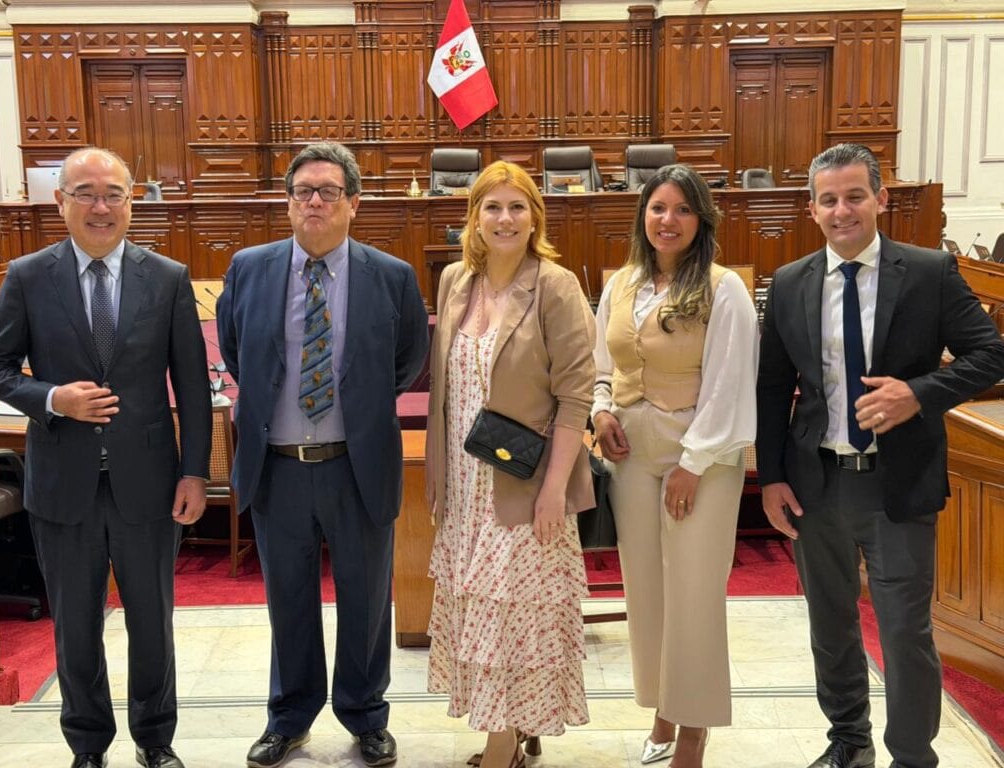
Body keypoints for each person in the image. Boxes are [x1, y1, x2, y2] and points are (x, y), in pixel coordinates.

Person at [756, 143, 1004, 768]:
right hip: (818, 487)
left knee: (903, 632)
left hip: (898, 486)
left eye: (855, 196)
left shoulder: (928, 271)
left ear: (881, 198)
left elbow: (992, 354)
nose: (843, 211)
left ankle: (912, 756)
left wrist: (918, 395)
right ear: (811, 208)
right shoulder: (789, 284)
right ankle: (848, 742)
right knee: (831, 628)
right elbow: (769, 388)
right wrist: (773, 477)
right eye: (829, 200)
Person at [0, 148, 211, 768]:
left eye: (114, 193)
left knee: (152, 625)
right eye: (85, 193)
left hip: (150, 484)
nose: (100, 207)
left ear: (132, 201)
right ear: (61, 202)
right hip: (62, 486)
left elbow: (192, 385)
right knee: (75, 628)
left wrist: (195, 472)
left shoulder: (166, 277)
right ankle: (87, 745)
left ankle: (155, 741)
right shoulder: (28, 276)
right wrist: (53, 397)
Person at [216, 141, 429, 768]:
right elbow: (238, 351)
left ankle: (366, 716)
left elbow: (408, 360)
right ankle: (289, 717)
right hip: (277, 465)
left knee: (366, 600)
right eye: (303, 190)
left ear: (354, 203)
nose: (315, 201)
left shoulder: (390, 275)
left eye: (329, 191)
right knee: (289, 599)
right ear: (287, 202)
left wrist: (356, 410)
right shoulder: (248, 268)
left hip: (356, 464)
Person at [425, 160, 595, 768]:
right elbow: (446, 392)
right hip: (467, 485)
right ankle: (514, 727)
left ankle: (503, 746)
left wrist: (555, 490)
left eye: (517, 207)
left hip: (525, 482)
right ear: (473, 216)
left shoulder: (555, 285)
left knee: (515, 616)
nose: (505, 219)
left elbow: (577, 394)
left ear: (534, 217)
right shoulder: (454, 282)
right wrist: (439, 479)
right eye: (492, 207)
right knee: (485, 611)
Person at [592, 164, 758, 768]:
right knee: (648, 587)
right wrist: (602, 409)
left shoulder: (723, 288)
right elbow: (600, 363)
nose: (669, 220)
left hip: (701, 452)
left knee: (694, 588)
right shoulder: (623, 283)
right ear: (643, 215)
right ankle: (663, 705)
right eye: (659, 208)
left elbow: (730, 383)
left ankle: (695, 727)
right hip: (631, 451)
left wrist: (695, 460)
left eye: (683, 210)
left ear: (702, 220)